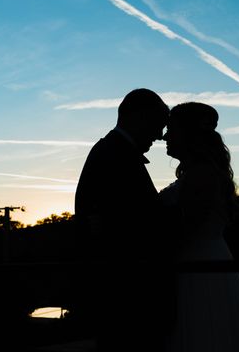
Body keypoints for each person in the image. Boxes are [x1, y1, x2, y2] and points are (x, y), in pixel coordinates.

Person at [159, 102, 239, 352]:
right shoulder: (198, 173)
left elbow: (184, 228)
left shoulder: (201, 175)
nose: (165, 136)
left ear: (189, 134)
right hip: (205, 260)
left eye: (172, 129)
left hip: (198, 266)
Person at [74, 88, 174, 352]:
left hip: (124, 290)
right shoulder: (114, 155)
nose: (160, 135)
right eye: (158, 125)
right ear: (139, 117)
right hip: (125, 292)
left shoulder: (114, 151)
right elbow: (128, 226)